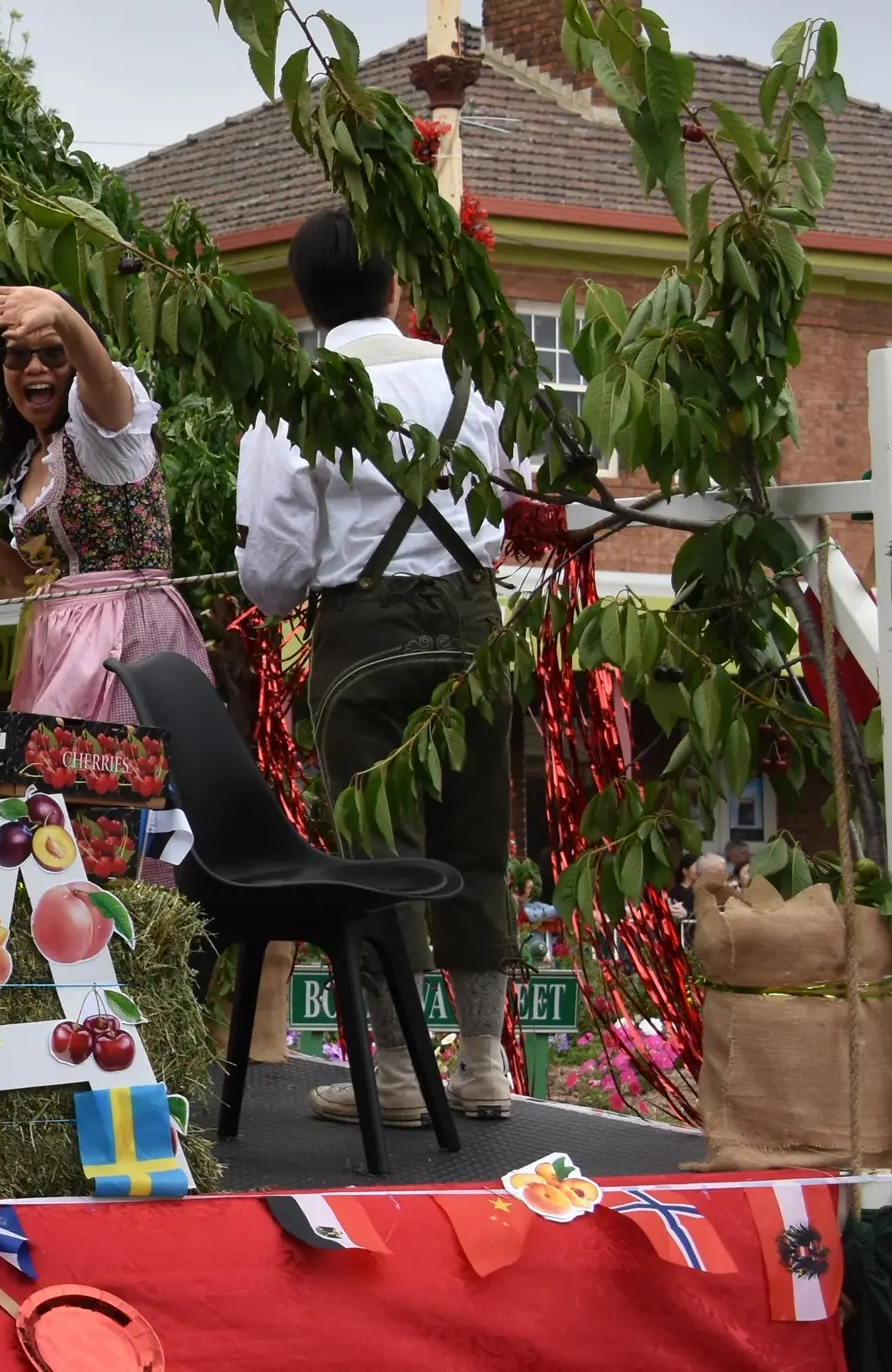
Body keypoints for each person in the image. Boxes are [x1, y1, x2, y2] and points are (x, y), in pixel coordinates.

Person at [235, 207, 511, 1127]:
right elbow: (509, 504)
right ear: (395, 286)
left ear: (306, 300)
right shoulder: (469, 382)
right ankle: (484, 1068)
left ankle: (395, 1075)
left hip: (364, 634)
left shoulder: (294, 398)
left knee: (377, 857)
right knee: (476, 845)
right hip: (476, 626)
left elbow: (271, 577)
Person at [0, 284, 210, 721]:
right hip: (58, 644)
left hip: (129, 636)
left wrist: (62, 313)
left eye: (54, 352)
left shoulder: (103, 433)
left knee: (122, 780)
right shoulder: (31, 460)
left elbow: (101, 380)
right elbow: (47, 580)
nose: (35, 365)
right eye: (18, 355)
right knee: (55, 783)